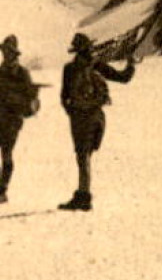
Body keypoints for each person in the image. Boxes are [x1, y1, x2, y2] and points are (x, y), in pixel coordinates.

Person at [58, 33, 137, 212]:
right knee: (86, 155)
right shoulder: (97, 65)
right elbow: (124, 78)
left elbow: (64, 97)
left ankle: (83, 196)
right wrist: (131, 64)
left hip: (79, 116)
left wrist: (72, 112)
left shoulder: (69, 68)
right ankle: (82, 193)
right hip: (97, 115)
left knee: (82, 156)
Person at [0, 35, 37, 205]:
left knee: (6, 154)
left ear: (14, 53)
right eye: (3, 51)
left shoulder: (22, 72)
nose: (5, 54)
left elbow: (30, 96)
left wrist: (14, 98)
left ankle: (2, 192)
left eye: (8, 51)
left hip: (12, 119)